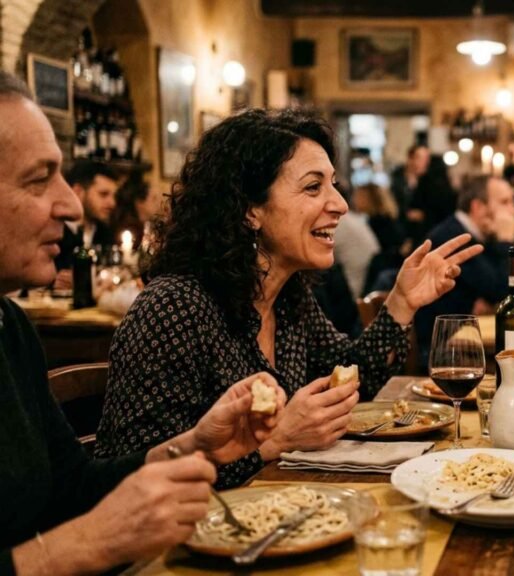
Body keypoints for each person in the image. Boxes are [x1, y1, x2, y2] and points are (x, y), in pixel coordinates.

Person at [95, 108, 482, 488]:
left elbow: (349, 388)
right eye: (314, 187)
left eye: (333, 184)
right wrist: (273, 441)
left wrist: (401, 302)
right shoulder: (173, 309)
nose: (340, 204)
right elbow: (138, 473)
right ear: (250, 209)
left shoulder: (288, 298)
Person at [0, 69, 287, 575]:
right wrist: (78, 546)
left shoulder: (10, 329)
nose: (70, 204)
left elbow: (71, 490)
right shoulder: (175, 303)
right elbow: (79, 527)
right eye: (38, 179)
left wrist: (194, 446)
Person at [414, 175, 514, 368]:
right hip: (441, 352)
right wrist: (506, 241)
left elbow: (493, 292)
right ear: (478, 207)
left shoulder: (469, 233)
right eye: (505, 202)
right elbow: (501, 290)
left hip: (461, 344)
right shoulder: (454, 237)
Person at [53, 159, 118, 289]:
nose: (112, 203)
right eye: (103, 194)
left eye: (113, 196)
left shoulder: (105, 233)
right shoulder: (53, 232)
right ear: (78, 192)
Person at [390, 143, 430, 237]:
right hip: (400, 230)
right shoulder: (397, 179)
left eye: (426, 159)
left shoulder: (430, 181)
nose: (425, 162)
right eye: (421, 158)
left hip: (423, 232)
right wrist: (406, 214)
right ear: (410, 158)